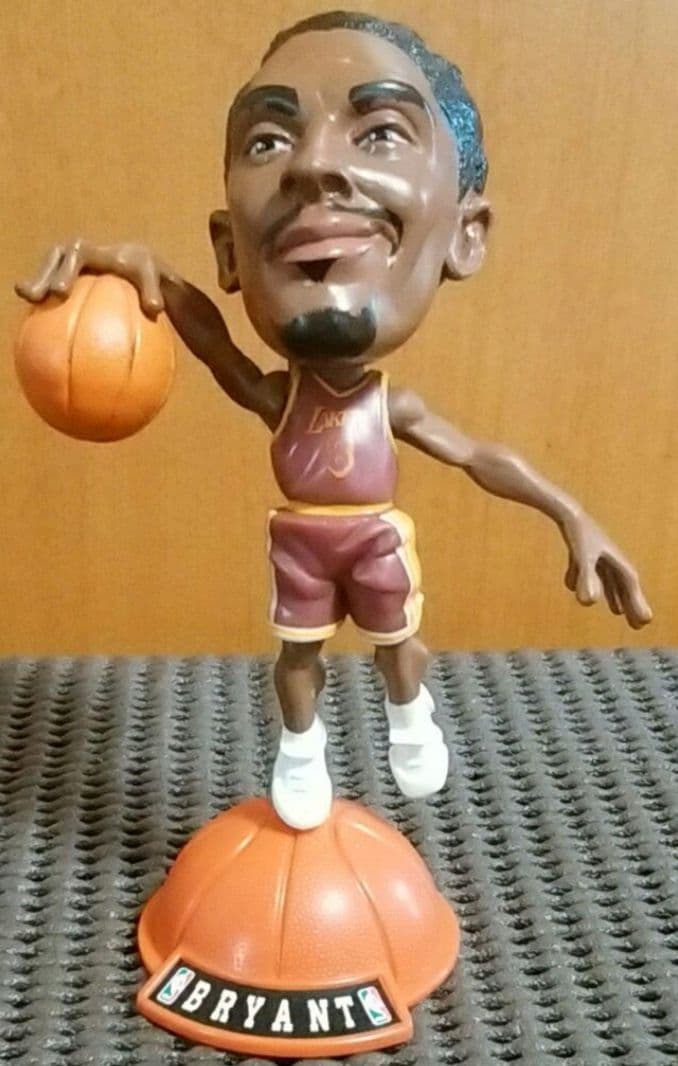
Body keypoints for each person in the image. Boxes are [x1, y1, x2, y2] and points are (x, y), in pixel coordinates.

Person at [16, 11, 652, 831]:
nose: (315, 165)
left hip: (374, 537)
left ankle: (410, 717)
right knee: (298, 656)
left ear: (466, 234)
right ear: (228, 253)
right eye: (269, 140)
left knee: (398, 645)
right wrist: (156, 278)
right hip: (304, 542)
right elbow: (214, 346)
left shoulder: (389, 405)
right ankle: (300, 748)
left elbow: (475, 455)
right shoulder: (281, 400)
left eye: (380, 132)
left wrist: (569, 514)